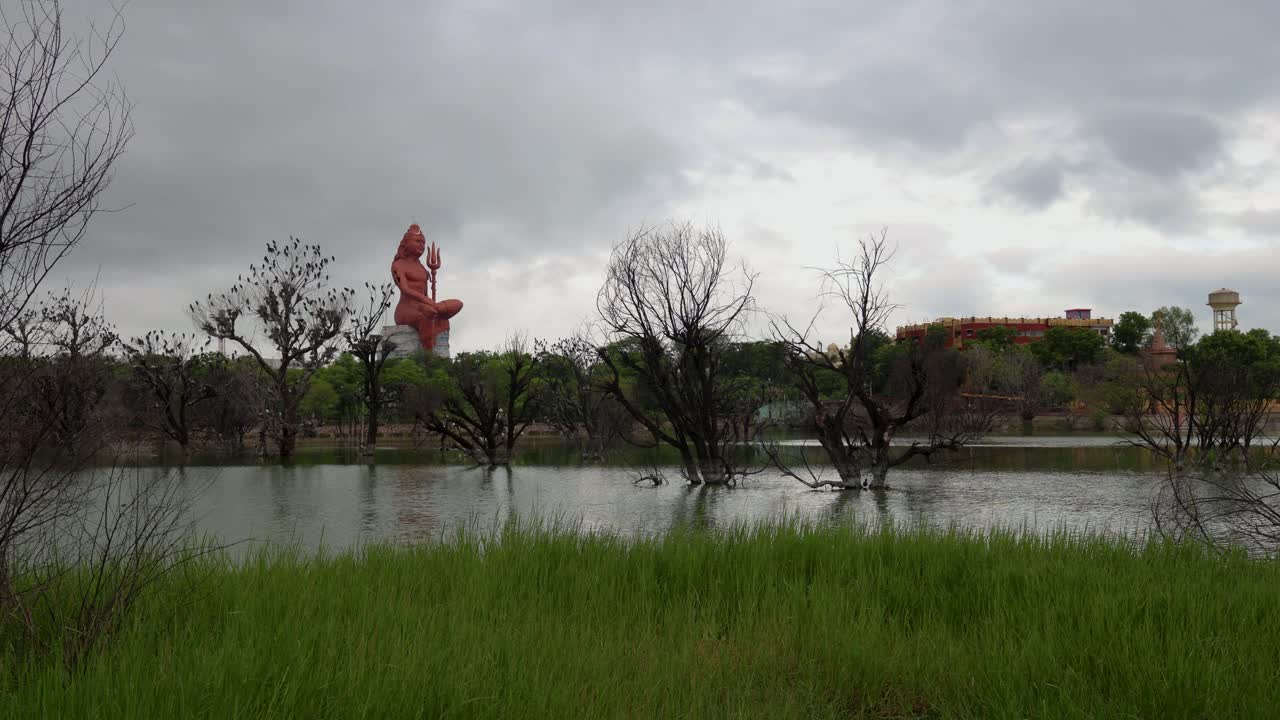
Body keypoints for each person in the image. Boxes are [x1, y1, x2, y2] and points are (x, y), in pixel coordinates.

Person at [391, 224, 462, 352]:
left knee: (457, 304)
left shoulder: (422, 268)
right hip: (406, 310)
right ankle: (428, 353)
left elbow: (425, 293)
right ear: (406, 244)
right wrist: (428, 302)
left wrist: (431, 304)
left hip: (423, 306)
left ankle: (435, 311)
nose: (421, 245)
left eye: (423, 243)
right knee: (428, 314)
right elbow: (405, 289)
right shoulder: (399, 265)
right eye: (417, 241)